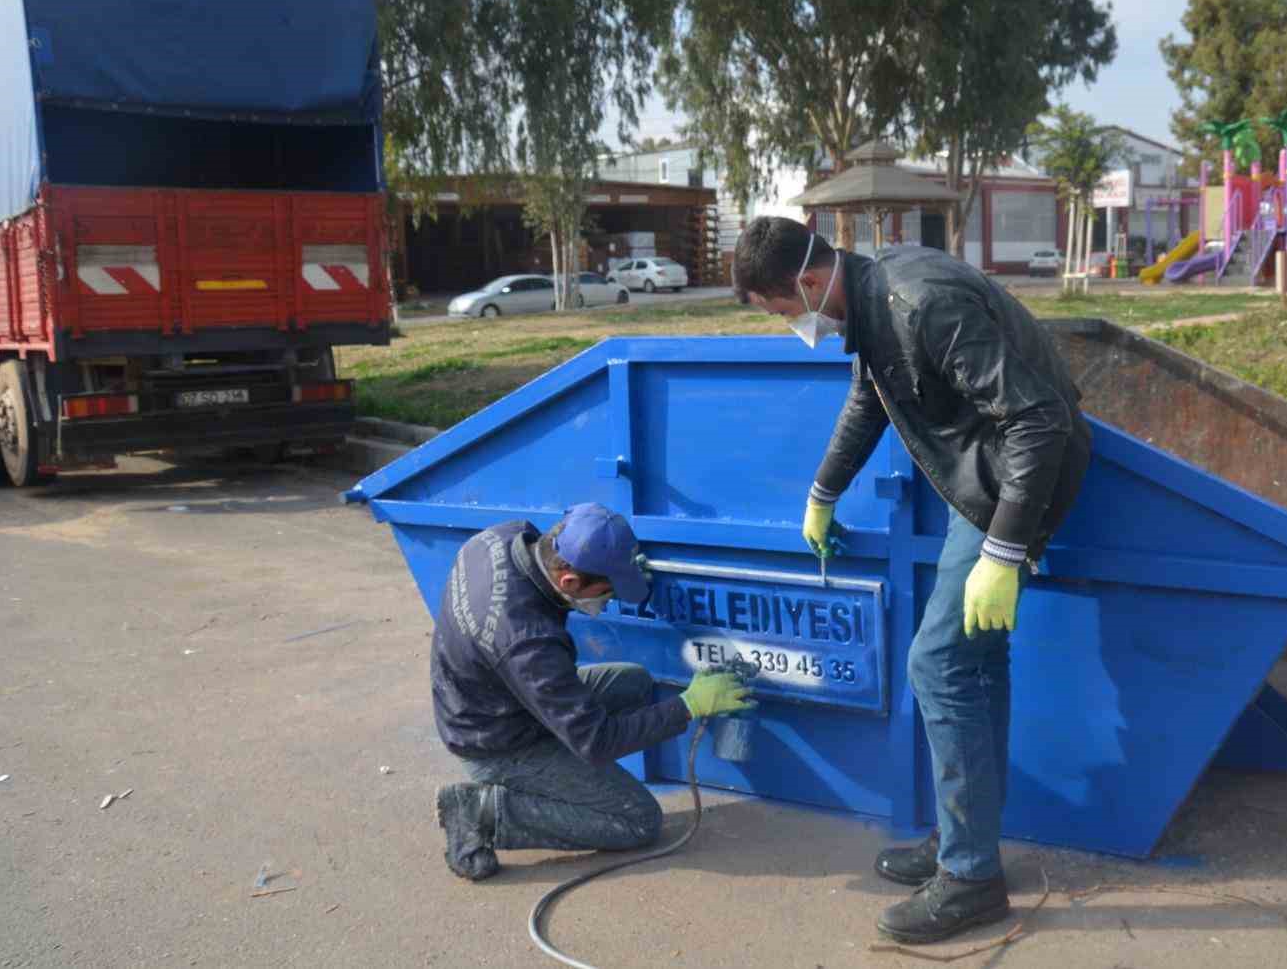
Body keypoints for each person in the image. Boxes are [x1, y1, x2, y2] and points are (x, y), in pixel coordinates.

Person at [734, 217, 1092, 944]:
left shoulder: (919, 301)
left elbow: (1038, 419)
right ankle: (969, 843)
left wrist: (1004, 548)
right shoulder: (868, 294)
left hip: (1020, 478)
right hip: (991, 481)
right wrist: (824, 490)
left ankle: (969, 879)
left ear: (805, 283)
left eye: (779, 310)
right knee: (972, 664)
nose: (786, 324)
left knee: (938, 663)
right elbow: (876, 397)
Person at [430, 502, 753, 881]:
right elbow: (597, 743)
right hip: (496, 741)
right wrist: (689, 706)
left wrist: (625, 572)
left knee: (633, 682)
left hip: (488, 698)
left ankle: (570, 776)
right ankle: (482, 810)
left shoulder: (502, 539)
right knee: (638, 821)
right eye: (609, 591)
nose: (610, 598)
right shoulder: (529, 643)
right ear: (570, 582)